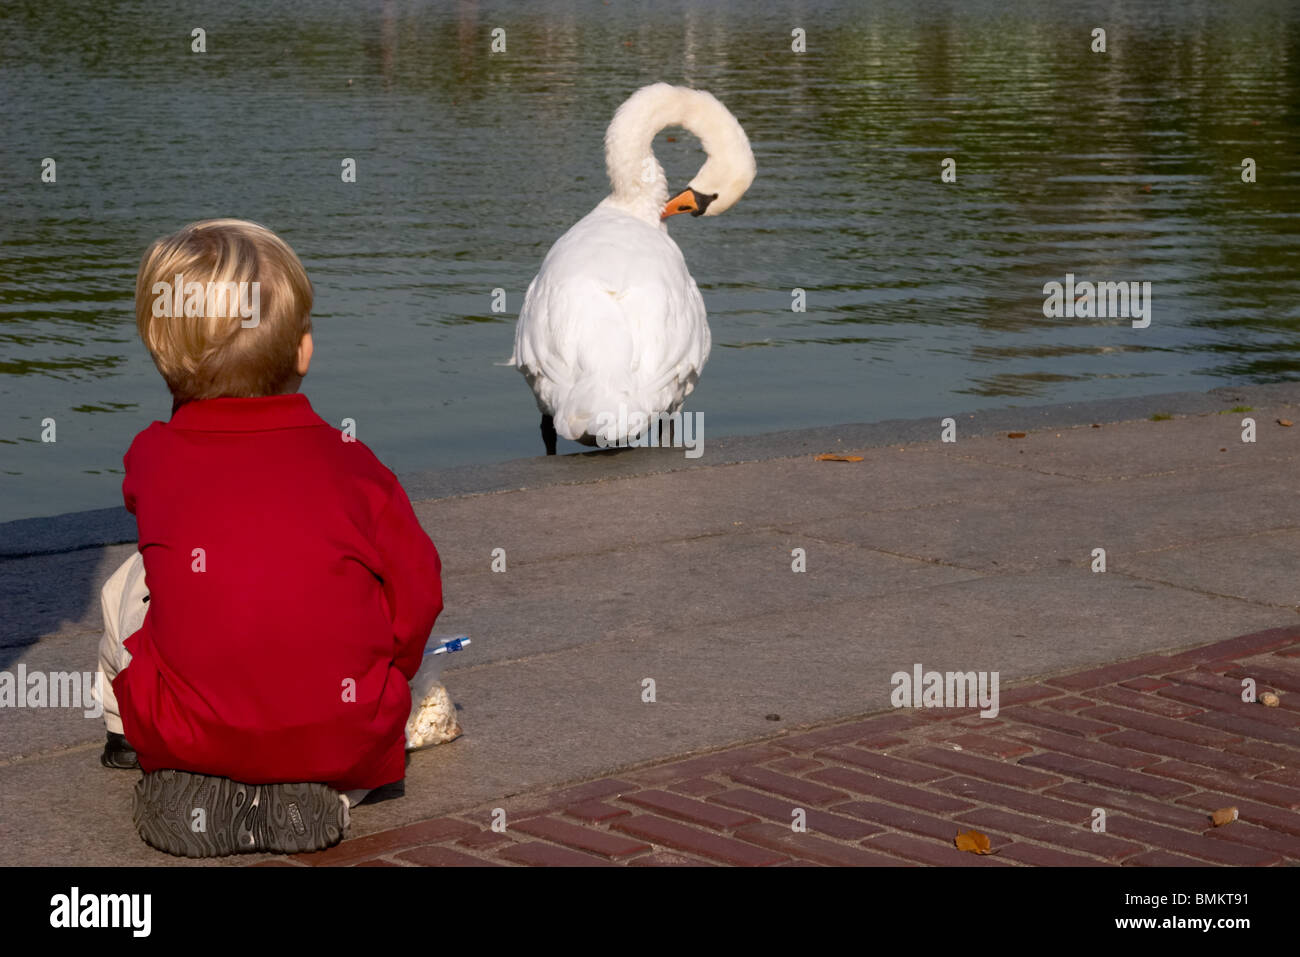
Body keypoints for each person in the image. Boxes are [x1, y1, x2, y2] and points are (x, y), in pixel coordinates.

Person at [92, 219, 444, 856]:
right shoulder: (355, 463)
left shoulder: (152, 455)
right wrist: (387, 679)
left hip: (187, 732)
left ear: (158, 349)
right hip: (344, 734)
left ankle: (133, 742)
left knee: (131, 583)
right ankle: (316, 790)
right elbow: (419, 595)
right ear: (302, 350)